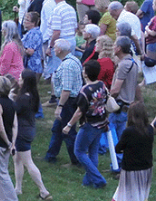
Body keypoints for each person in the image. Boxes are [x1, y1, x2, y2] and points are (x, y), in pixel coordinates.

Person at [107, 101, 155, 201]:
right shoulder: (150, 130)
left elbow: (118, 148)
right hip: (146, 170)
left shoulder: (129, 132)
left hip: (131, 171)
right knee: (138, 199)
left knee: (128, 200)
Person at [62, 60, 111, 188]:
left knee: (79, 152)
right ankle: (88, 181)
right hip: (101, 123)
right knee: (93, 152)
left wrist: (68, 125)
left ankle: (99, 179)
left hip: (89, 125)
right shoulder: (102, 85)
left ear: (86, 74)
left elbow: (79, 112)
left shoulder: (85, 91)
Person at [12, 70, 51, 200]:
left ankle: (43, 190)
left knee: (28, 162)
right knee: (17, 159)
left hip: (21, 132)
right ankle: (18, 188)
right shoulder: (32, 96)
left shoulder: (22, 98)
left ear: (25, 81)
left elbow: (13, 111)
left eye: (20, 78)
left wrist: (11, 98)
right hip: (29, 129)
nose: (18, 79)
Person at [45, 39, 83, 165]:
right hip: (72, 100)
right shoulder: (74, 60)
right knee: (57, 129)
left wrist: (60, 106)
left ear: (60, 50)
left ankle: (76, 160)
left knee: (69, 131)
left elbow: (66, 89)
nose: (53, 50)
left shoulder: (66, 66)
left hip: (68, 102)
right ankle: (50, 155)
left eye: (54, 47)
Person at [108, 37, 141, 146]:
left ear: (119, 49)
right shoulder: (133, 63)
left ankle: (116, 157)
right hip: (126, 106)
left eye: (114, 45)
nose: (113, 47)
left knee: (110, 130)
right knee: (121, 135)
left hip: (119, 105)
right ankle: (121, 158)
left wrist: (105, 98)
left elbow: (116, 90)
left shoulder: (124, 65)